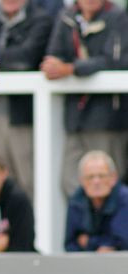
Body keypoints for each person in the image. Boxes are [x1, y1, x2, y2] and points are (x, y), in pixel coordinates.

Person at [40, 0, 128, 197]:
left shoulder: (117, 16)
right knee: (70, 182)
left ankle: (111, 229)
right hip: (75, 117)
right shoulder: (67, 16)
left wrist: (72, 69)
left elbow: (115, 60)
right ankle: (84, 228)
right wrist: (54, 67)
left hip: (108, 116)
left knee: (109, 183)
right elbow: (53, 56)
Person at [0, 0, 52, 202]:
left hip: (24, 115)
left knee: (28, 180)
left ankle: (35, 231)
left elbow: (27, 58)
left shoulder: (40, 19)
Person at [65, 150, 128, 252]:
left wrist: (88, 242)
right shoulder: (76, 202)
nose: (96, 181)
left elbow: (122, 242)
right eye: (90, 177)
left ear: (113, 178)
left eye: (101, 176)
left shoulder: (125, 199)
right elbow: (70, 245)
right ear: (82, 181)